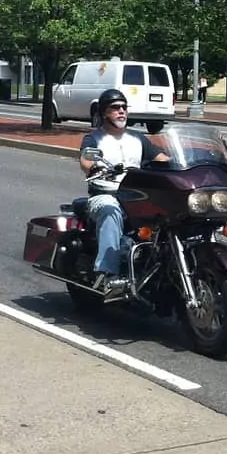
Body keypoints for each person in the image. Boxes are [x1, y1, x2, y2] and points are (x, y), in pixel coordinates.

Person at [78, 88, 170, 297]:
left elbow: (162, 158)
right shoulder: (94, 139)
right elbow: (86, 159)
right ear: (103, 113)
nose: (121, 111)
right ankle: (108, 275)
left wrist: (182, 165)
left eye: (123, 107)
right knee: (110, 211)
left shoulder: (138, 138)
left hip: (136, 196)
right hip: (105, 194)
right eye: (115, 108)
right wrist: (93, 166)